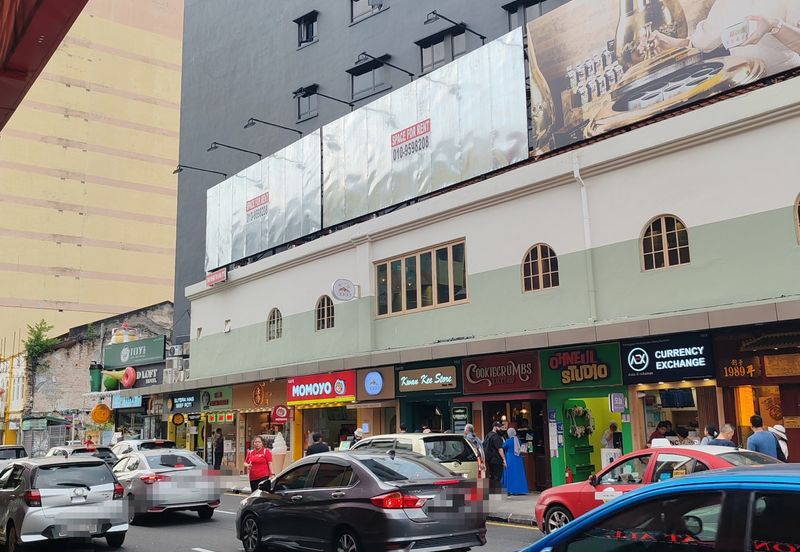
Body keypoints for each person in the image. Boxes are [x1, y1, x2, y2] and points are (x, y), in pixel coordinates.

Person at [649, 0, 800, 75]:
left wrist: (774, 25)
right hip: (749, 85)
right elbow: (696, 43)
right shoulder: (724, 4)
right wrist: (665, 41)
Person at [501, 428, 529, 496]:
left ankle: (511, 490)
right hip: (518, 459)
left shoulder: (508, 441)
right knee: (518, 474)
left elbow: (503, 447)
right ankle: (520, 490)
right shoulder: (518, 440)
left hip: (510, 458)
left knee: (510, 474)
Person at [482, 421, 507, 493]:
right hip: (496, 459)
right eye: (499, 427)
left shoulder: (488, 435)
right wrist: (504, 459)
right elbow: (500, 449)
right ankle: (496, 492)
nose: (500, 429)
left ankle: (491, 492)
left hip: (490, 459)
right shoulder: (496, 437)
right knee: (497, 477)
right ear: (495, 427)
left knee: (492, 476)